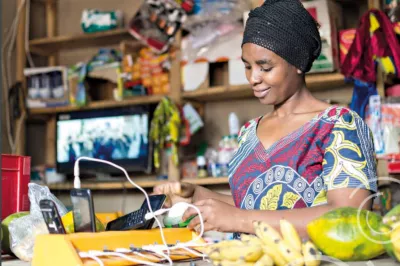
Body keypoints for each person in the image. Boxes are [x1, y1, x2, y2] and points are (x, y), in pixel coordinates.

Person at [153, 0, 378, 238]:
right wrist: (198, 196)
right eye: (248, 66)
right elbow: (256, 206)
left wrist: (238, 219)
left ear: (298, 62)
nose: (253, 78)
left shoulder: (338, 125)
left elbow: (350, 217)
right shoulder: (249, 131)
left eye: (265, 67)